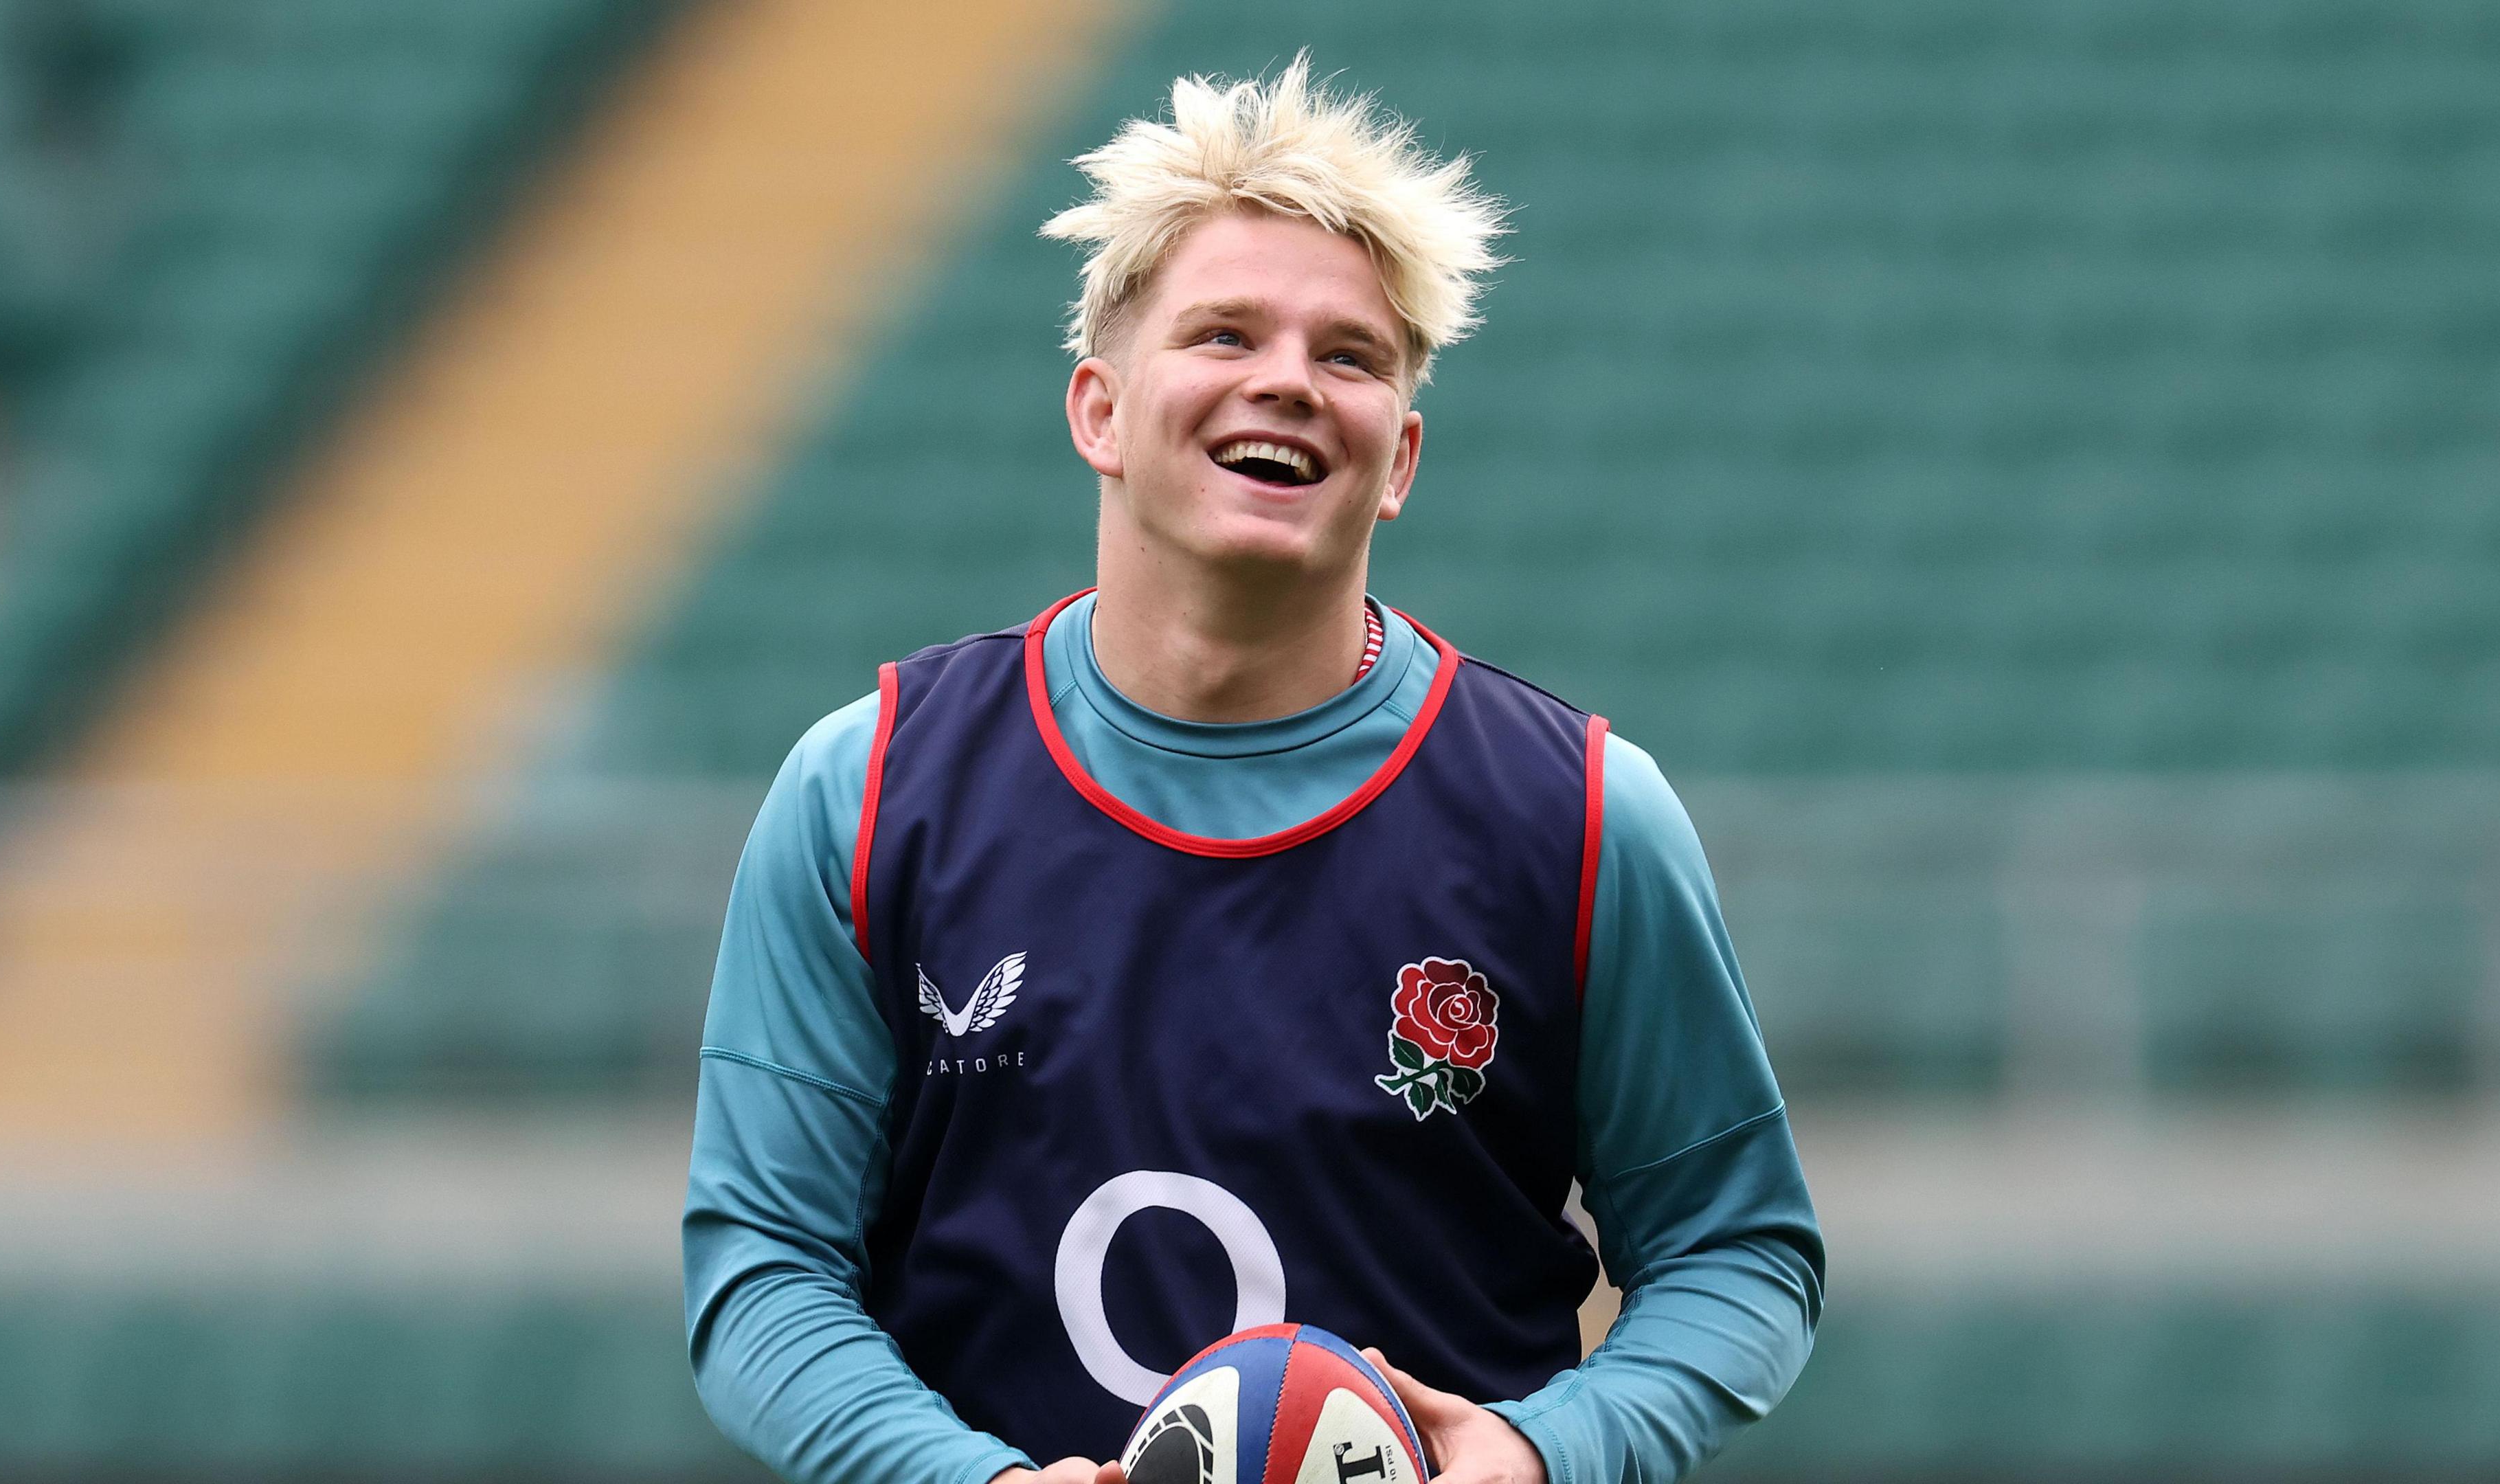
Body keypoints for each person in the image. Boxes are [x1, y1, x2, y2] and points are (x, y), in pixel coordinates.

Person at [683, 56, 1823, 1484]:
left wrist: (1546, 1455)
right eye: (1224, 334)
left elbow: (1739, 1253)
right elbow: (763, 1275)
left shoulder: (1582, 817)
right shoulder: (869, 795)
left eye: (1348, 356)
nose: (1287, 378)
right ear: (1100, 410)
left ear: (1398, 458)